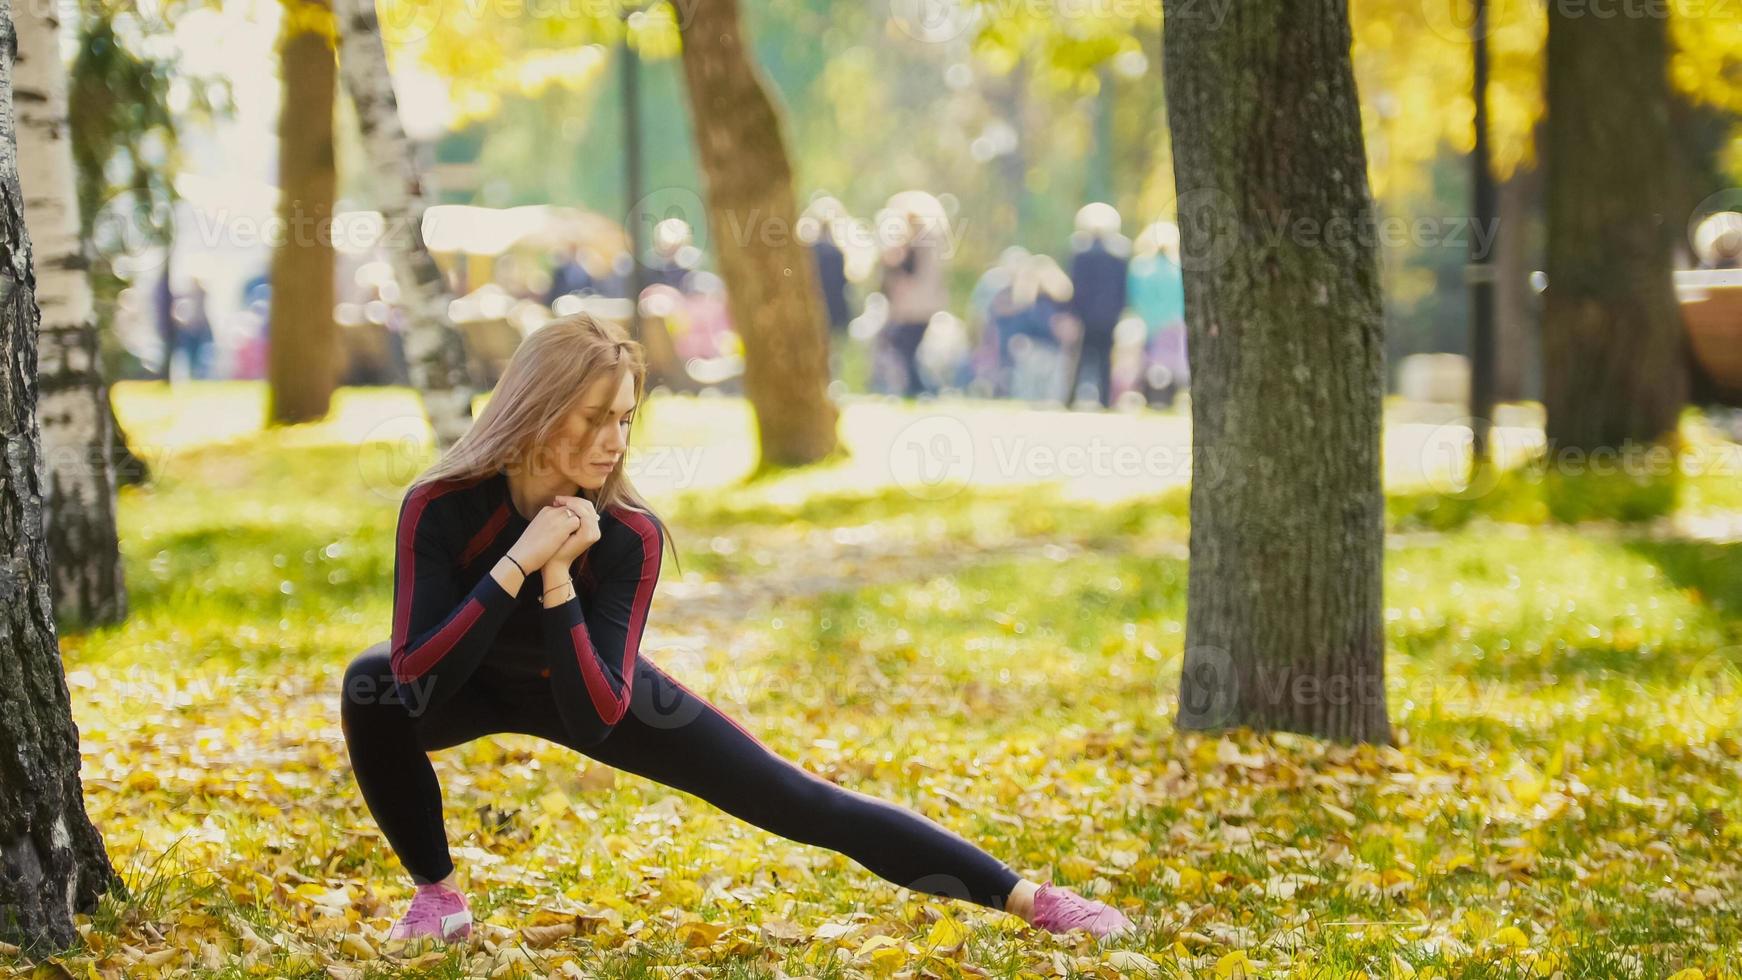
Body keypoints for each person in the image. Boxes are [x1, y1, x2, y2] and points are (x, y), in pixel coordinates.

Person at [339, 313, 1138, 945]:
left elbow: (594, 715)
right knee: (369, 683)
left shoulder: (628, 534)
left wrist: (556, 581)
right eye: (596, 417)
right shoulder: (438, 504)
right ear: (540, 410)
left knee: (798, 800)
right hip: (464, 681)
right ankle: (438, 896)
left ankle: (1036, 900)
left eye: (626, 418)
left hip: (583, 682)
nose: (616, 440)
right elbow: (420, 681)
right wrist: (521, 558)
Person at [1063, 204, 1130, 409]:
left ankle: (1071, 398)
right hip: (1108, 315)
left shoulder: (1080, 253)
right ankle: (1105, 399)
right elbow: (1122, 288)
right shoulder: (1119, 255)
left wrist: (1073, 312)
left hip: (1085, 314)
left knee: (1080, 358)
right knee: (1104, 359)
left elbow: (1075, 285)